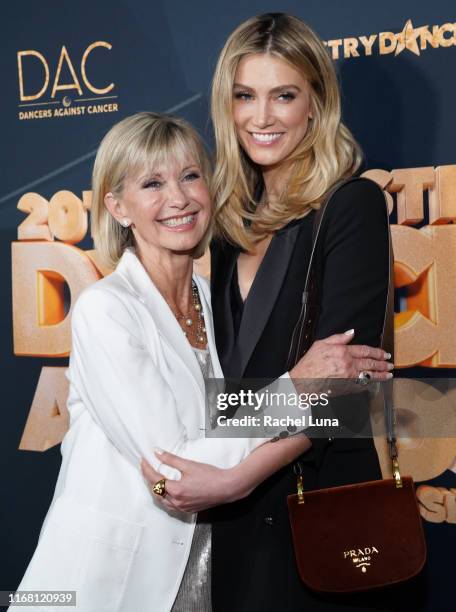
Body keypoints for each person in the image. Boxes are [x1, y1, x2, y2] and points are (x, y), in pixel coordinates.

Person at [142, 13, 399, 612]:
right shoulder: (227, 225)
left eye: (283, 95)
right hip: (233, 519)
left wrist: (237, 477)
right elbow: (221, 399)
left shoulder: (351, 205)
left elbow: (341, 388)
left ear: (316, 102)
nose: (262, 117)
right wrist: (284, 392)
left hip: (314, 507)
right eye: (245, 96)